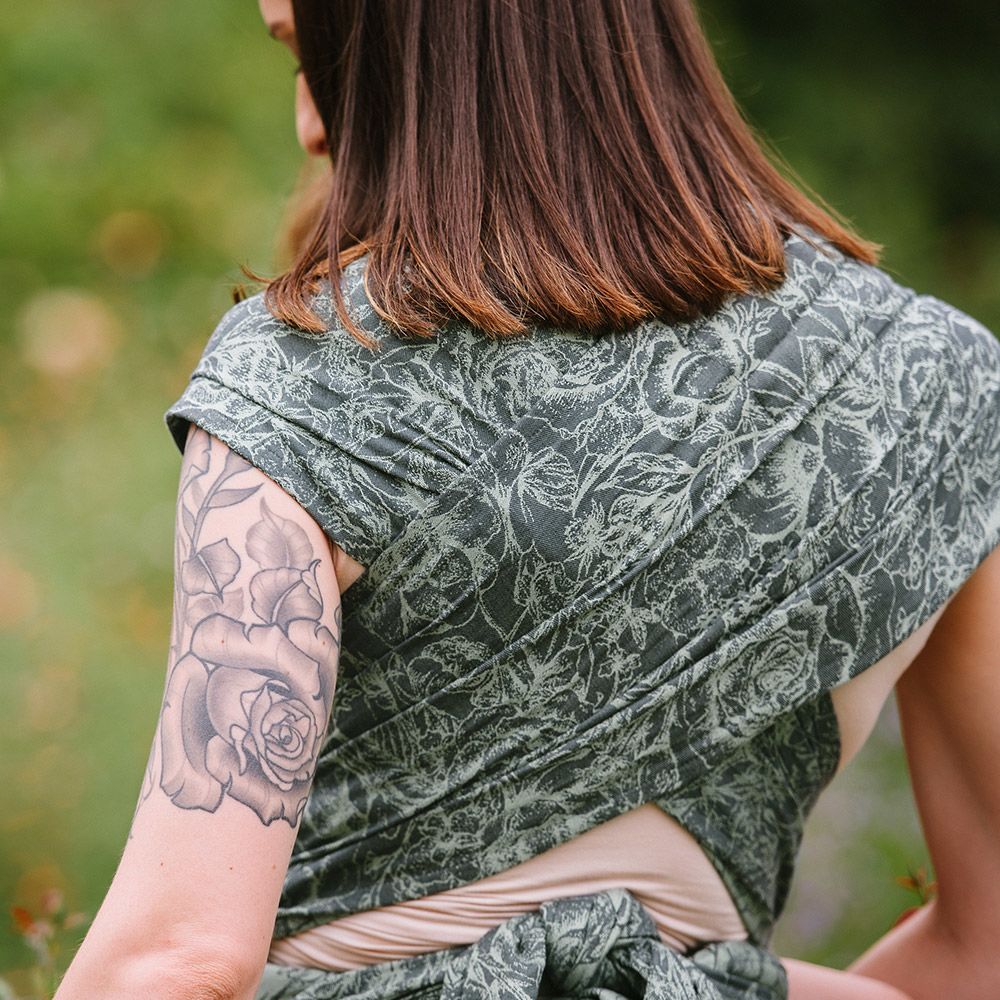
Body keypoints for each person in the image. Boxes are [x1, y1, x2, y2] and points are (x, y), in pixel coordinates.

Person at [55, 1, 1000, 998]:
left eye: (309, 51)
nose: (309, 124)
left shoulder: (311, 369)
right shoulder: (936, 389)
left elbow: (181, 955)